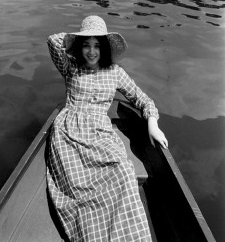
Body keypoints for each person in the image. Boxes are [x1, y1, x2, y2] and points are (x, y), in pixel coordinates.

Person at [46, 15, 168, 242]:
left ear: (104, 47)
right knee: (81, 190)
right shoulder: (71, 67)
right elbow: (53, 41)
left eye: (96, 45)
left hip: (101, 134)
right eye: (86, 45)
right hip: (69, 132)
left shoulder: (115, 72)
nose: (91, 52)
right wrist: (74, 40)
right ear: (79, 47)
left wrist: (152, 123)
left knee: (123, 170)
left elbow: (143, 100)